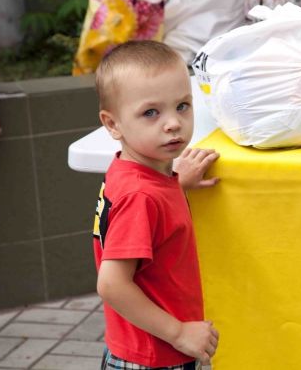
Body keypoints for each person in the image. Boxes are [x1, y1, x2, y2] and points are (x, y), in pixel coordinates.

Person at [92, 40, 220, 369]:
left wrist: (178, 184)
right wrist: (179, 333)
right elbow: (112, 284)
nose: (173, 122)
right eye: (151, 112)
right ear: (112, 124)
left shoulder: (136, 174)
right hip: (155, 356)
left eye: (182, 106)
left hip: (144, 348)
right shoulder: (141, 197)